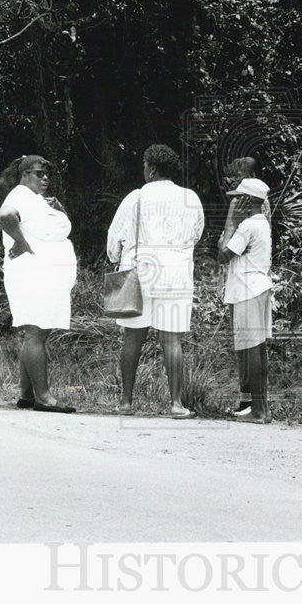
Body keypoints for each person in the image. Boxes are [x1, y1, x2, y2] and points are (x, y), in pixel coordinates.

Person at [107, 144, 204, 418]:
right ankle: (176, 404)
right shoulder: (190, 198)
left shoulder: (135, 198)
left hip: (139, 270)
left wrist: (118, 256)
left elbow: (114, 240)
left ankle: (126, 402)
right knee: (172, 340)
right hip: (175, 273)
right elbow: (197, 233)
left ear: (150, 169)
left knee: (132, 339)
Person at [0, 154, 77, 414]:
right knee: (36, 333)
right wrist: (19, 241)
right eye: (40, 173)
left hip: (43, 276)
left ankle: (27, 395)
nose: (46, 178)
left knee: (36, 333)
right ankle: (44, 397)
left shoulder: (34, 199)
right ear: (25, 174)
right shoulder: (18, 195)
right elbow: (4, 215)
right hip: (31, 275)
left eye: (47, 173)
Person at [218, 177, 273, 424]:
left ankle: (259, 410)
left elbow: (222, 254)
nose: (234, 202)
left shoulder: (248, 225)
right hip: (257, 289)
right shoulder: (262, 223)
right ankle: (260, 407)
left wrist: (230, 224)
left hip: (248, 290)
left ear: (247, 200)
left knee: (252, 349)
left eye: (238, 197)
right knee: (257, 349)